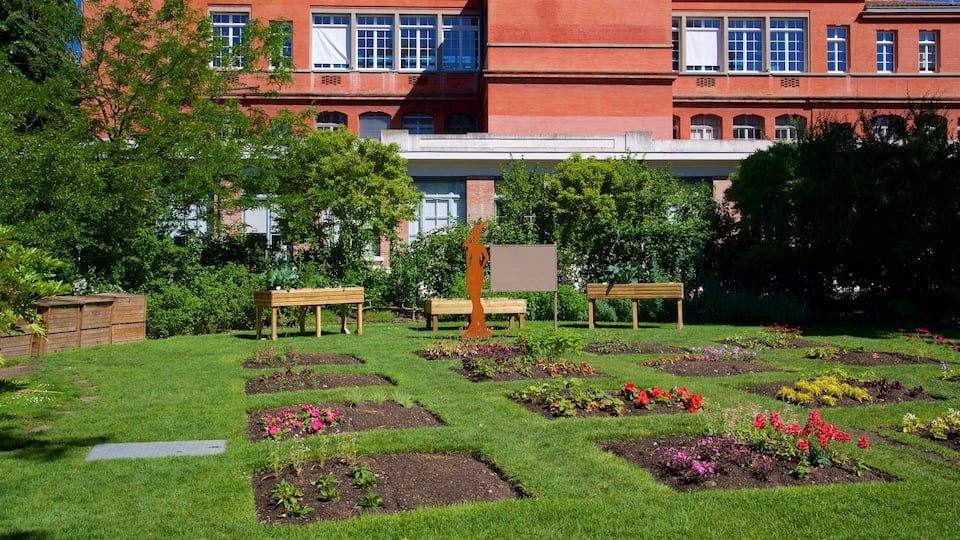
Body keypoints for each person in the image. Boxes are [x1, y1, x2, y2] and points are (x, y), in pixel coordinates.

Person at [463, 221, 490, 338]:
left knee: (476, 300)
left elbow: (485, 258)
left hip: (475, 272)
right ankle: (478, 325)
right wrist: (481, 267)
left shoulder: (477, 246)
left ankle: (477, 326)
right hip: (475, 272)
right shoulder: (476, 246)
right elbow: (486, 258)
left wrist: (480, 267)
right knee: (475, 300)